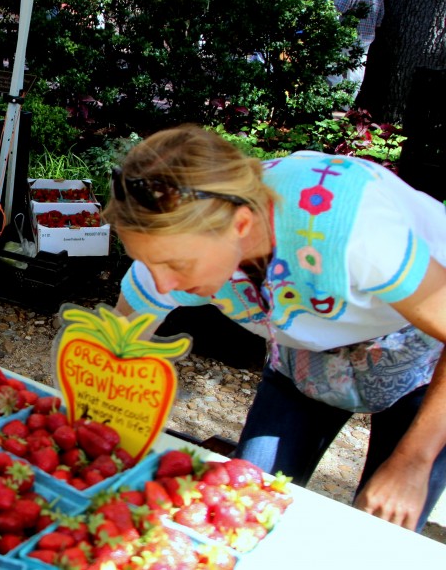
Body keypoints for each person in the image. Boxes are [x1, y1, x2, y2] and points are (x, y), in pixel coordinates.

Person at [105, 125, 446, 532]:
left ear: (242, 225)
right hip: (303, 355)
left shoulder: (355, 231)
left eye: (177, 266)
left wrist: (414, 461)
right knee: (242, 508)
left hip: (421, 346)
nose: (161, 286)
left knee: (383, 530)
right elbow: (115, 348)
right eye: (147, 262)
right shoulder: (177, 232)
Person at [335, 0, 385, 96]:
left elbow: (340, 9)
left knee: (336, 64)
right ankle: (350, 101)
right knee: (357, 68)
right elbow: (380, 17)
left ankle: (335, 97)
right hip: (367, 36)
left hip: (348, 33)